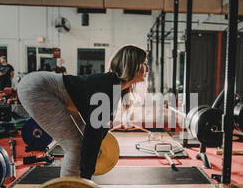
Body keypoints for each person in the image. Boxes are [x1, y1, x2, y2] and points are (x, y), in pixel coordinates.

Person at [17, 45, 149, 180]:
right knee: (74, 145)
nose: (147, 69)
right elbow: (94, 133)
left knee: (81, 142)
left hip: (44, 88)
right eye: (144, 64)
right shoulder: (107, 86)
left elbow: (96, 128)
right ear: (132, 65)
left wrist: (91, 157)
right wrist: (86, 176)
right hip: (37, 88)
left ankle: (75, 187)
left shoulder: (114, 87)